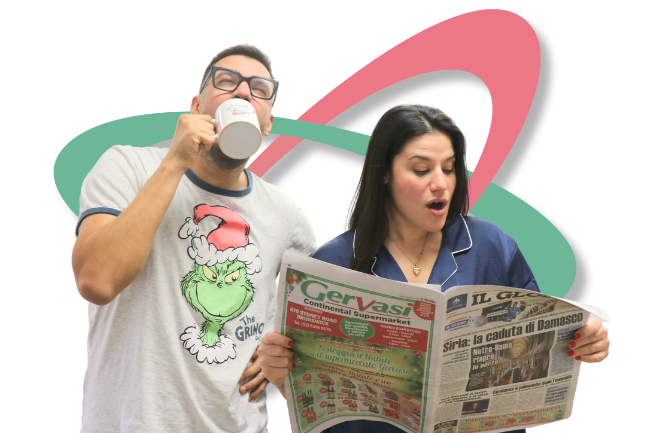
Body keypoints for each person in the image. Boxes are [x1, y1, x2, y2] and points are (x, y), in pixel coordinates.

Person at [258, 105, 610, 433]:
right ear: (384, 174)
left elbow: (542, 334)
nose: (440, 183)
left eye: (450, 168)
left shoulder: (493, 245)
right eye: (422, 170)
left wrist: (582, 337)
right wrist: (281, 378)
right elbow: (319, 404)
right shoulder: (333, 263)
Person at [72, 44, 316, 432]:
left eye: (259, 89)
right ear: (197, 106)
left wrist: (279, 349)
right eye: (227, 81)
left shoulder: (284, 214)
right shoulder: (127, 166)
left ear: (268, 123)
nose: (242, 92)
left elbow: (317, 312)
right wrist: (175, 162)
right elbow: (97, 280)